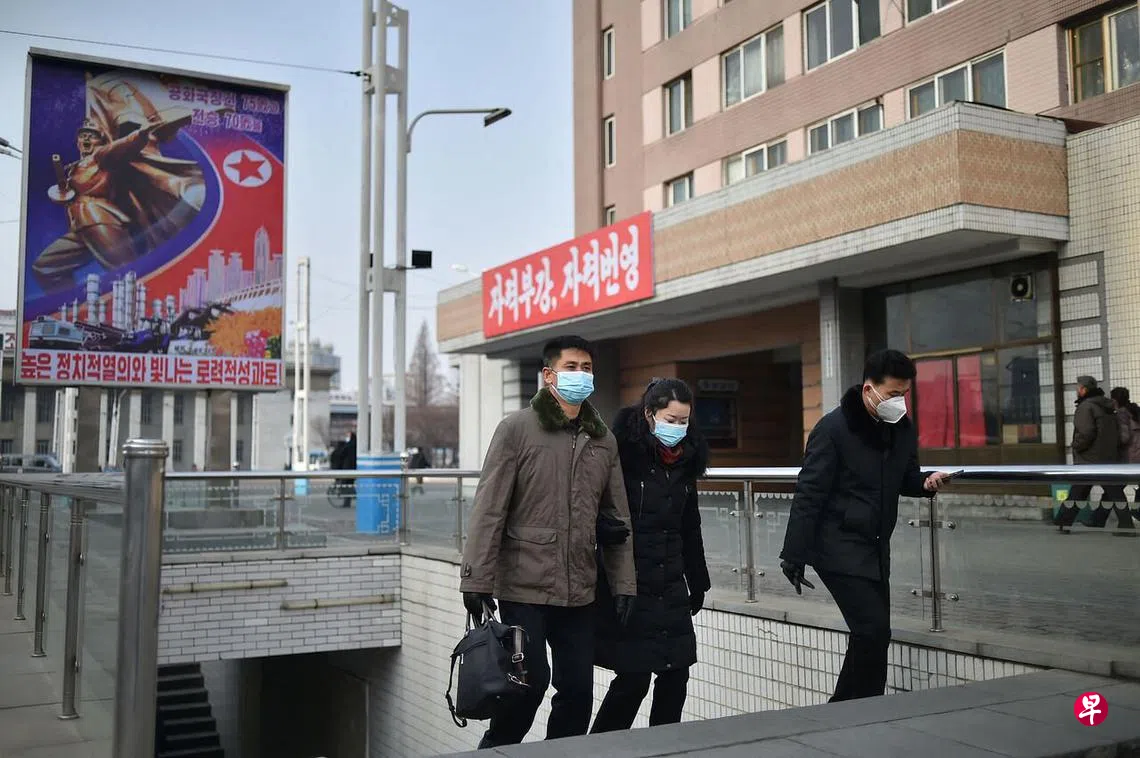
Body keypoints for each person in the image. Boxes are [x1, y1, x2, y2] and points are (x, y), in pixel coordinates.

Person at [459, 335, 637, 748]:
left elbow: (618, 517)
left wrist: (624, 583)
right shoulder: (517, 429)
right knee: (528, 683)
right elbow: (489, 508)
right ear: (549, 375)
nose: (581, 375)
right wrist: (475, 579)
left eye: (587, 368)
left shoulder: (603, 440)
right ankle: (496, 749)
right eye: (571, 367)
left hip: (580, 589)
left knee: (577, 691)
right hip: (524, 586)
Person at [779, 349, 950, 702]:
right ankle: (848, 710)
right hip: (836, 546)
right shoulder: (833, 429)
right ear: (869, 389)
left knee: (874, 634)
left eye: (904, 394)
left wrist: (926, 482)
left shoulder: (901, 428)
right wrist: (793, 554)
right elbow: (809, 493)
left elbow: (906, 477)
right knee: (872, 630)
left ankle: (862, 708)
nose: (899, 402)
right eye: (893, 394)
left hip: (875, 547)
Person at [590, 378, 710, 734]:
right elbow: (592, 503)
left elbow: (690, 525)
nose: (678, 428)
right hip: (632, 581)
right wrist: (602, 529)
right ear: (649, 415)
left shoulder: (687, 461)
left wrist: (698, 579)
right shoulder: (623, 456)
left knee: (676, 674)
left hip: (671, 582)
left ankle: (665, 746)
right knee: (634, 678)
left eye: (684, 421)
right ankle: (600, 748)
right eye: (671, 420)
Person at [1055, 377, 1122, 529]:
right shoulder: (1107, 406)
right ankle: (1064, 522)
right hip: (1107, 456)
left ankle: (1063, 522)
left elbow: (1086, 432)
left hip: (1089, 458)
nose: (1076, 391)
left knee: (1079, 490)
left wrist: (1076, 446)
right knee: (1112, 491)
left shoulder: (1086, 407)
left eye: (1078, 388)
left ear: (1083, 390)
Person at [1110, 387, 1138, 528]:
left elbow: (1124, 437)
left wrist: (1112, 443)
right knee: (1113, 488)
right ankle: (1098, 518)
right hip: (1138, 453)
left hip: (1129, 456)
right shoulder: (1135, 410)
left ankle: (1126, 522)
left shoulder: (1121, 414)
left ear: (1114, 400)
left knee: (1114, 487)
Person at [329, 430, 357, 508]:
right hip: (353, 469)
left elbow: (341, 454)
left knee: (346, 485)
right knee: (349, 485)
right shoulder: (354, 445)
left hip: (348, 468)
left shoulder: (349, 446)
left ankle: (348, 500)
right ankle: (347, 501)